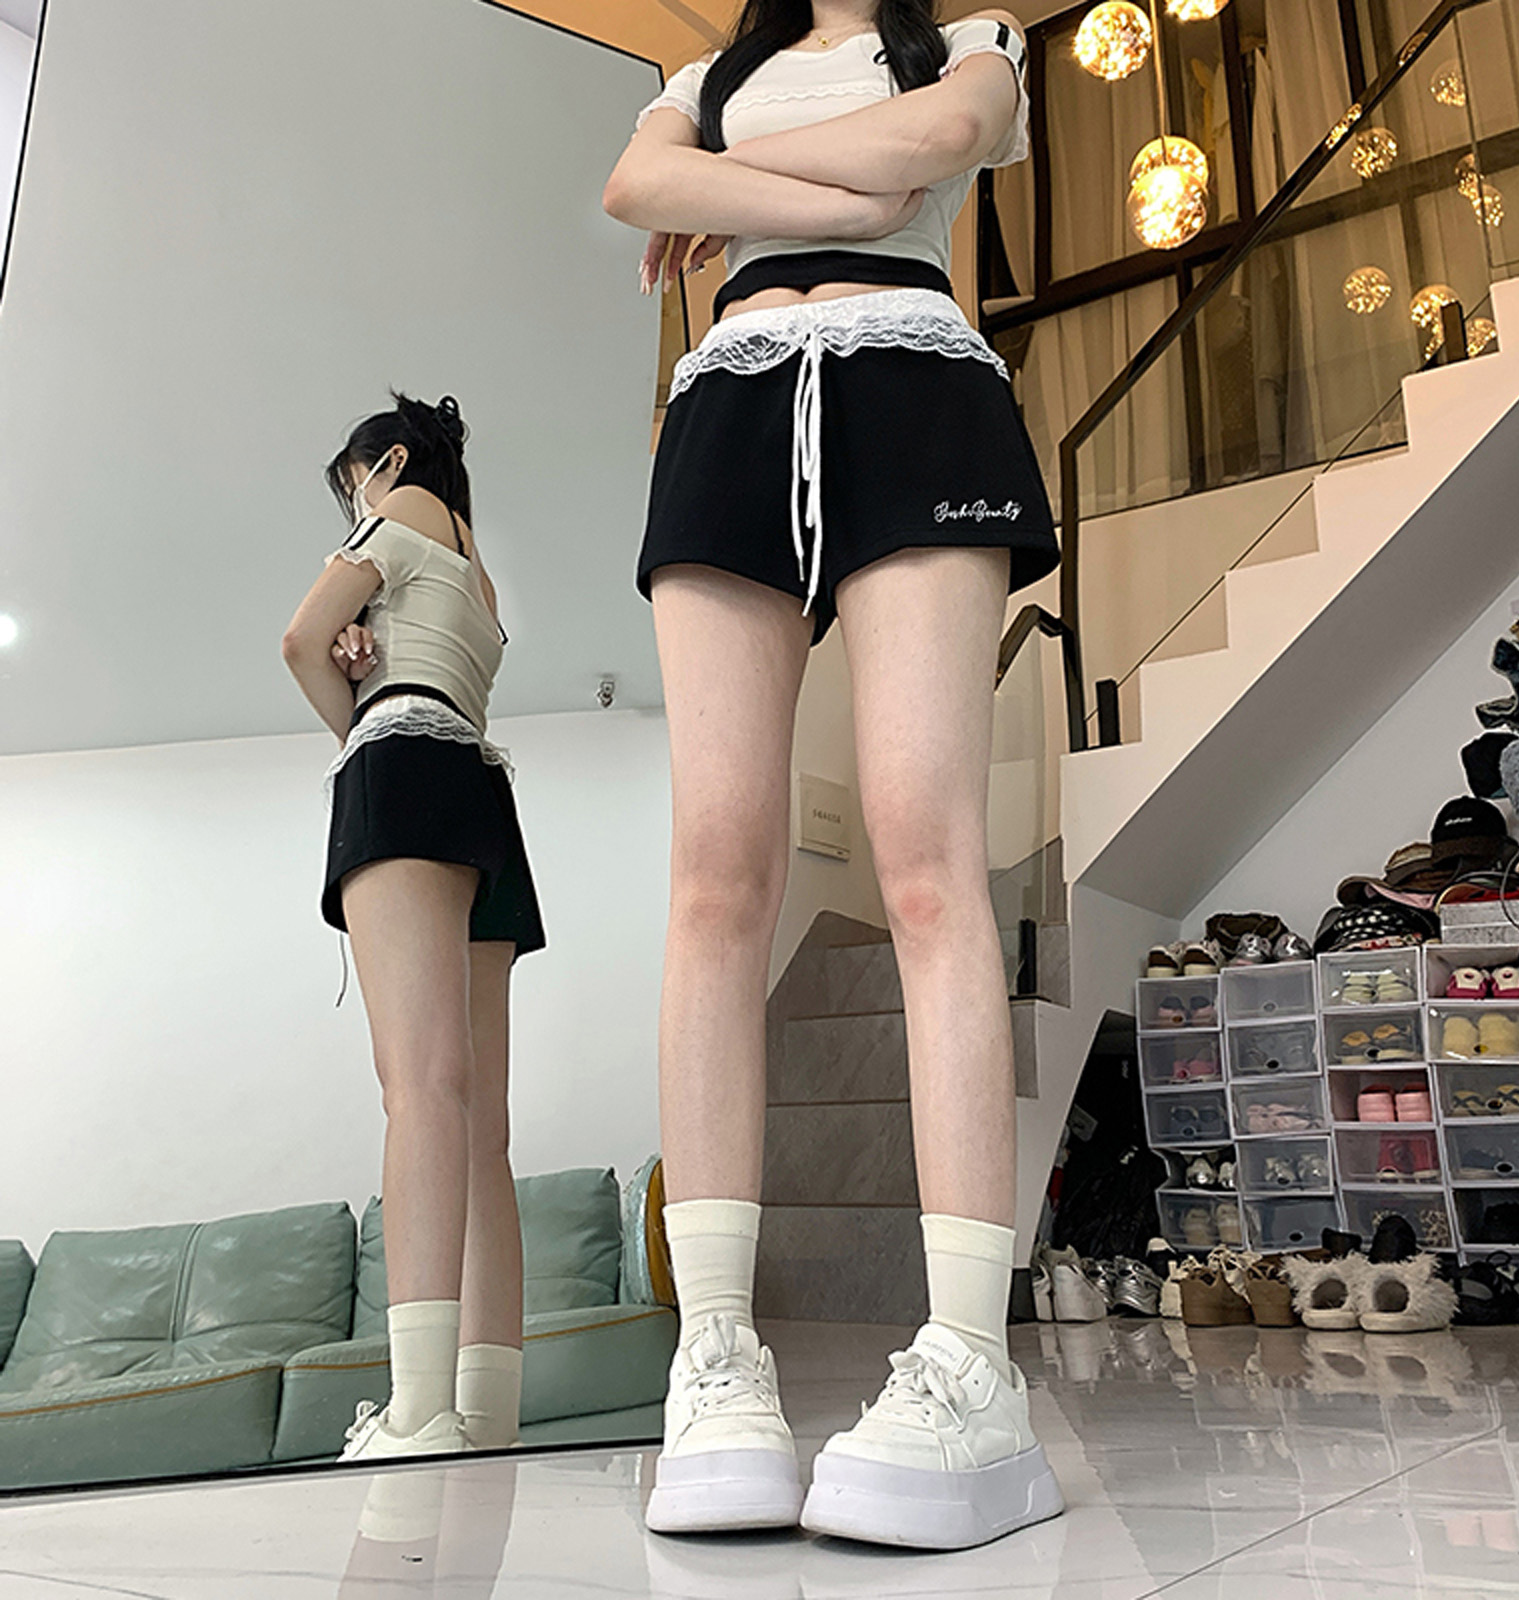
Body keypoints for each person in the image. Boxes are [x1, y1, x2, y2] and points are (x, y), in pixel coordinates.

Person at [604, 0, 1064, 1550]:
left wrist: (740, 186)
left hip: (917, 380)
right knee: (713, 879)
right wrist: (850, 189)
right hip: (732, 400)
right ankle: (715, 1356)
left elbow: (947, 137)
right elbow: (636, 185)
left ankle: (973, 1362)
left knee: (927, 860)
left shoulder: (973, 41)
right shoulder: (697, 76)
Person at [281, 393, 544, 1460]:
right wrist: (374, 645)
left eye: (354, 487)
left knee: (419, 1091)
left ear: (389, 463)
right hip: (479, 792)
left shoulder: (398, 514)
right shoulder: (476, 575)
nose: (354, 509)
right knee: (480, 1125)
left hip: (399, 765)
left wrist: (352, 700)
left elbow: (299, 640)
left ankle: (419, 1411)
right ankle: (483, 1409)